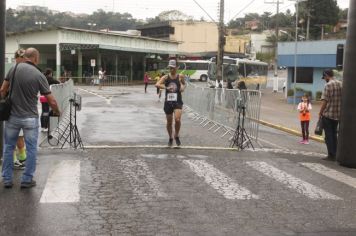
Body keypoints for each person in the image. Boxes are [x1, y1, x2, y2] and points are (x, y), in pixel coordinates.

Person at [0, 48, 60, 188]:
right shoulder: (39, 75)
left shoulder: (13, 69)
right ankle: (27, 180)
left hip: (13, 117)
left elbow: (3, 90)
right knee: (31, 149)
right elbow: (51, 100)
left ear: (25, 56)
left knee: (8, 147)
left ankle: (7, 179)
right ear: (35, 58)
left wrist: (4, 102)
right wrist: (57, 111)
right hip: (30, 118)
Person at [155, 60, 186, 147]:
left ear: (177, 67)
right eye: (170, 68)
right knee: (169, 122)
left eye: (173, 68)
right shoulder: (165, 77)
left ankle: (176, 134)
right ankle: (170, 137)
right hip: (168, 102)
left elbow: (184, 84)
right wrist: (166, 87)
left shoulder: (180, 76)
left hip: (177, 101)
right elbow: (157, 84)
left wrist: (182, 87)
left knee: (177, 119)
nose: (171, 69)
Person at [319, 69, 342, 161]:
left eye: (324, 77)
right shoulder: (341, 84)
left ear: (326, 75)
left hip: (328, 114)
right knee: (334, 134)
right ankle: (335, 153)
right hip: (337, 114)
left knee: (328, 136)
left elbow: (325, 101)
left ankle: (331, 155)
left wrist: (320, 112)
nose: (324, 79)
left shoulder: (328, 85)